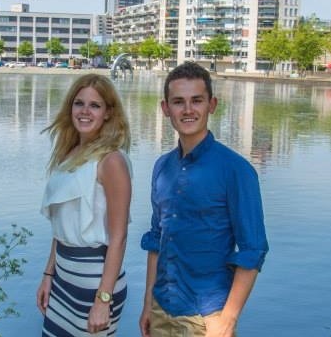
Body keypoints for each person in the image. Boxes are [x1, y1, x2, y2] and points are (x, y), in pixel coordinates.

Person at [139, 61, 268, 337]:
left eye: (197, 100)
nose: (188, 110)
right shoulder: (162, 167)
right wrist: (148, 303)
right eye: (178, 102)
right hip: (162, 309)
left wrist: (227, 320)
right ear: (165, 109)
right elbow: (156, 240)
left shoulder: (236, 171)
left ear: (212, 105)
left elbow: (252, 250)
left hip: (208, 317)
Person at [37, 74, 132, 336]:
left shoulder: (111, 161)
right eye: (79, 103)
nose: (85, 111)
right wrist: (48, 275)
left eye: (95, 105)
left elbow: (119, 237)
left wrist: (104, 300)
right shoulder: (67, 155)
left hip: (94, 285)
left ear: (109, 113)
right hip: (63, 280)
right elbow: (61, 227)